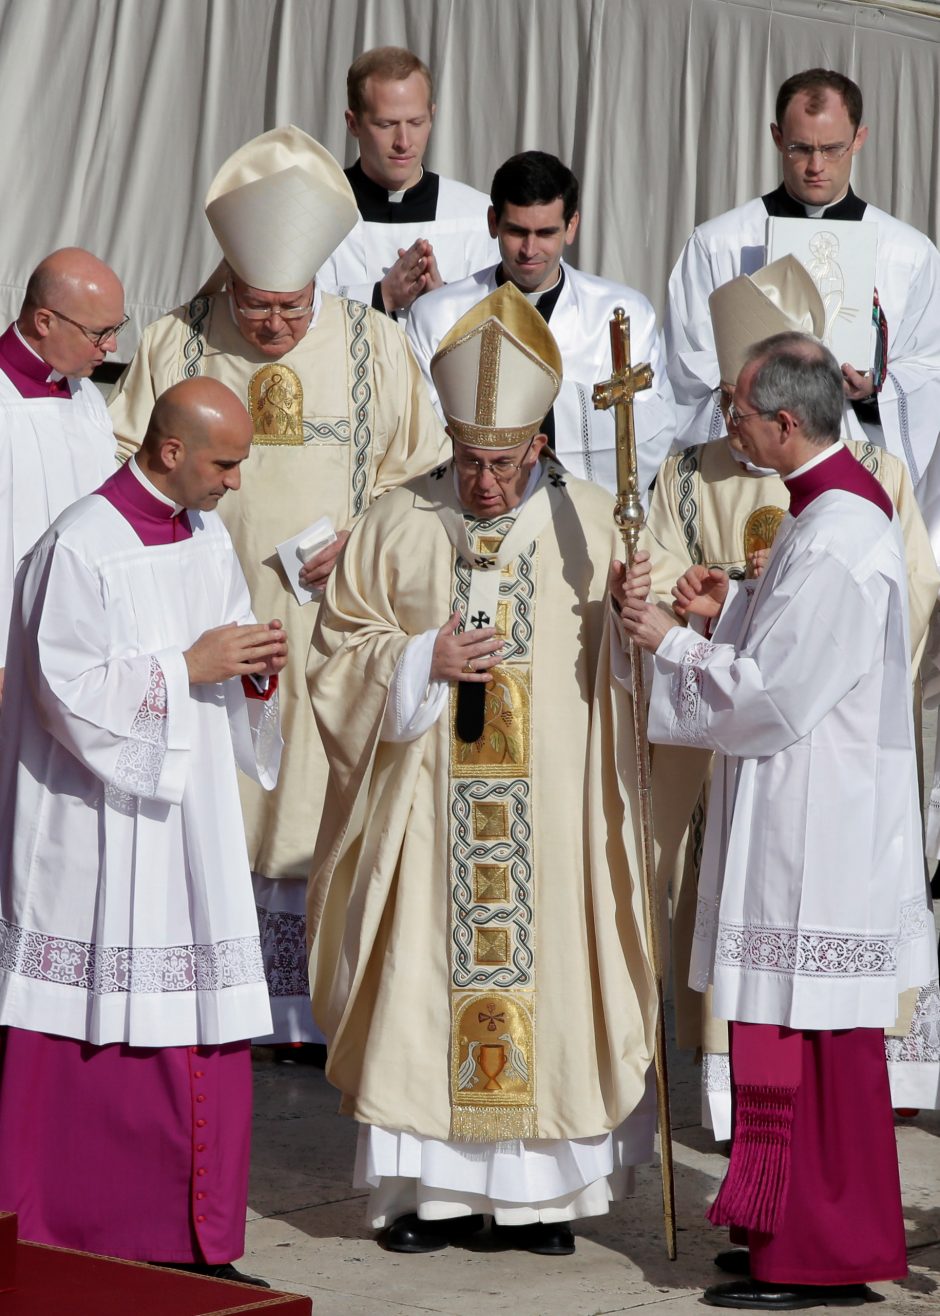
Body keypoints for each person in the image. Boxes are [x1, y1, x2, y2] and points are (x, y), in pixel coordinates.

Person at [308, 284, 656, 1258]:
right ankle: (431, 1193)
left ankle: (537, 1203)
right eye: (469, 462)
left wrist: (641, 618)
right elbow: (339, 647)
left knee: (548, 977)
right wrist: (419, 658)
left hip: (548, 818)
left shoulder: (595, 524)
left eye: (503, 463)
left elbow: (641, 668)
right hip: (428, 809)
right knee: (426, 981)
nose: (486, 482)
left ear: (538, 447)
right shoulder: (396, 519)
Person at [619, 333, 936, 1309]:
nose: (728, 424)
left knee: (817, 1038)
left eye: (737, 409)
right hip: (793, 804)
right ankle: (778, 1224)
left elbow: (783, 694)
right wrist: (728, 610)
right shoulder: (822, 511)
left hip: (821, 823)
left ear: (785, 422)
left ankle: (825, 1254)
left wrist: (670, 642)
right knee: (775, 1027)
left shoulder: (841, 533)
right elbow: (790, 644)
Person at [109, 126, 444, 1049]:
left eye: (291, 307)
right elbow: (120, 464)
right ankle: (214, 992)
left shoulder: (376, 345)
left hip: (330, 623)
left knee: (313, 791)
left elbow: (425, 478)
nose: (273, 327)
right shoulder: (176, 341)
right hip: (205, 618)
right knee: (219, 795)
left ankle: (307, 1013)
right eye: (255, 307)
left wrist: (368, 537)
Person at [0, 377, 286, 1285]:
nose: (237, 482)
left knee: (201, 1017)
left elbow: (225, 640)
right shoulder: (79, 546)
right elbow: (62, 693)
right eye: (226, 463)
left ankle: (193, 1242)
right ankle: (66, 1233)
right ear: (170, 452)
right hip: (98, 829)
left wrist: (252, 670)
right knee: (90, 1022)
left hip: (187, 821)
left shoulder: (204, 533)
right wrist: (189, 664)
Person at [665, 69, 940, 491]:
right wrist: (740, 384)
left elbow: (928, 366)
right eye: (800, 148)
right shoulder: (720, 242)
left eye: (832, 149)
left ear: (859, 140)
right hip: (749, 467)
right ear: (777, 137)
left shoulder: (908, 252)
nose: (816, 166)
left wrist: (872, 388)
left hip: (854, 464)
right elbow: (684, 361)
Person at [407, 150, 676, 495]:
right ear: (493, 223)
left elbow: (653, 427)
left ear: (572, 226)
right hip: (474, 506)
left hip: (583, 511)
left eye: (546, 232)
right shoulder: (437, 314)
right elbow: (424, 433)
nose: (530, 249)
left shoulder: (623, 312)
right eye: (517, 231)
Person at [0, 247, 124, 706]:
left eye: (117, 328)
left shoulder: (87, 396)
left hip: (79, 653)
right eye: (100, 332)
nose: (112, 346)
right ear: (45, 321)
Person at [316, 46, 498, 320]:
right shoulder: (315, 214)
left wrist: (442, 299)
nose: (403, 142)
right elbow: (295, 316)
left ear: (432, 116)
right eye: (387, 124)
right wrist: (381, 296)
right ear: (353, 123)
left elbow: (505, 320)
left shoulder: (478, 216)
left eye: (415, 122)